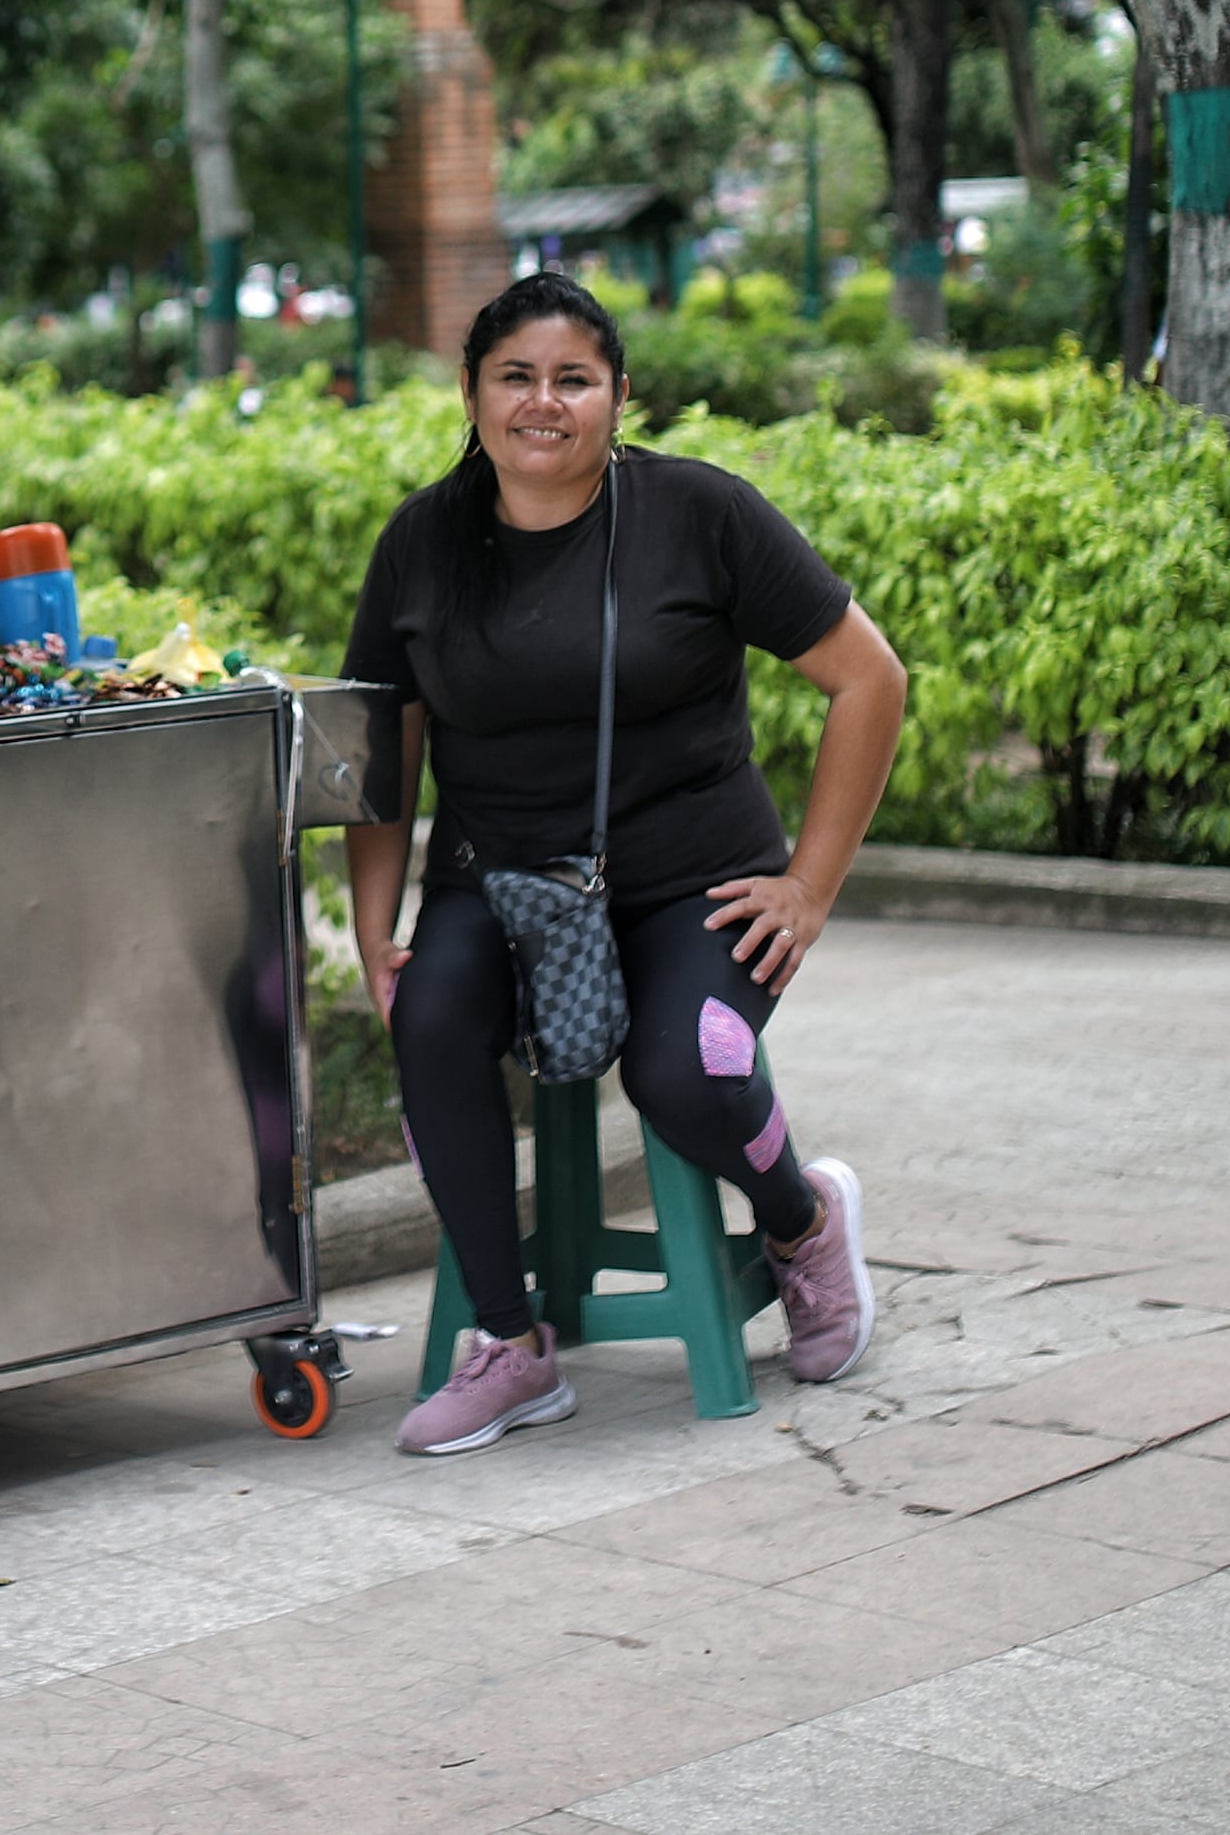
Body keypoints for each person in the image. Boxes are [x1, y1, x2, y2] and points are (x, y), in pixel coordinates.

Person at [344, 275, 907, 1455]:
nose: (541, 403)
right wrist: (373, 932)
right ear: (470, 392)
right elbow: (385, 748)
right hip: (498, 881)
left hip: (691, 878)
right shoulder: (421, 542)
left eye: (573, 379)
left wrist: (809, 887)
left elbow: (869, 678)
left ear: (617, 396)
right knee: (428, 1020)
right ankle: (510, 1346)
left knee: (688, 1068)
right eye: (514, 376)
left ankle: (800, 1222)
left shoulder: (698, 513)